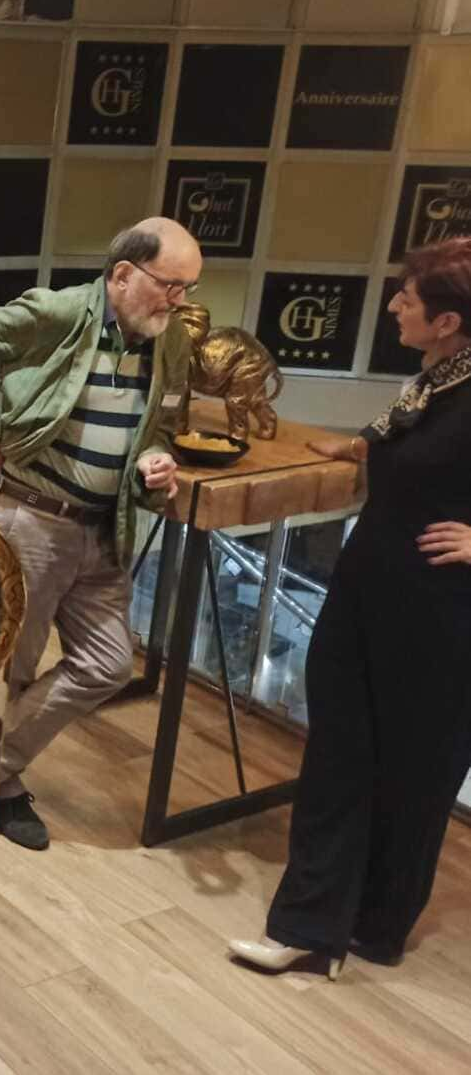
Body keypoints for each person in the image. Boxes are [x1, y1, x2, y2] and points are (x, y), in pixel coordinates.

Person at [229, 237, 471, 979]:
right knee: (339, 756)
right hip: (371, 585)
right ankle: (311, 928)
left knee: (419, 772)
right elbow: (402, 432)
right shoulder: (436, 377)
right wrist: (356, 447)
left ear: (448, 321)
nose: (393, 303)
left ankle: (377, 924)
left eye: (407, 297)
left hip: (442, 612)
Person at [0, 216, 199, 851]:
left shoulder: (171, 342)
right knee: (11, 666)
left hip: (107, 527)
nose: (179, 301)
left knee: (107, 664)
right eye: (170, 284)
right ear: (124, 274)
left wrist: (156, 458)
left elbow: (161, 424)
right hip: (31, 517)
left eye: (188, 288)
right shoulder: (56, 313)